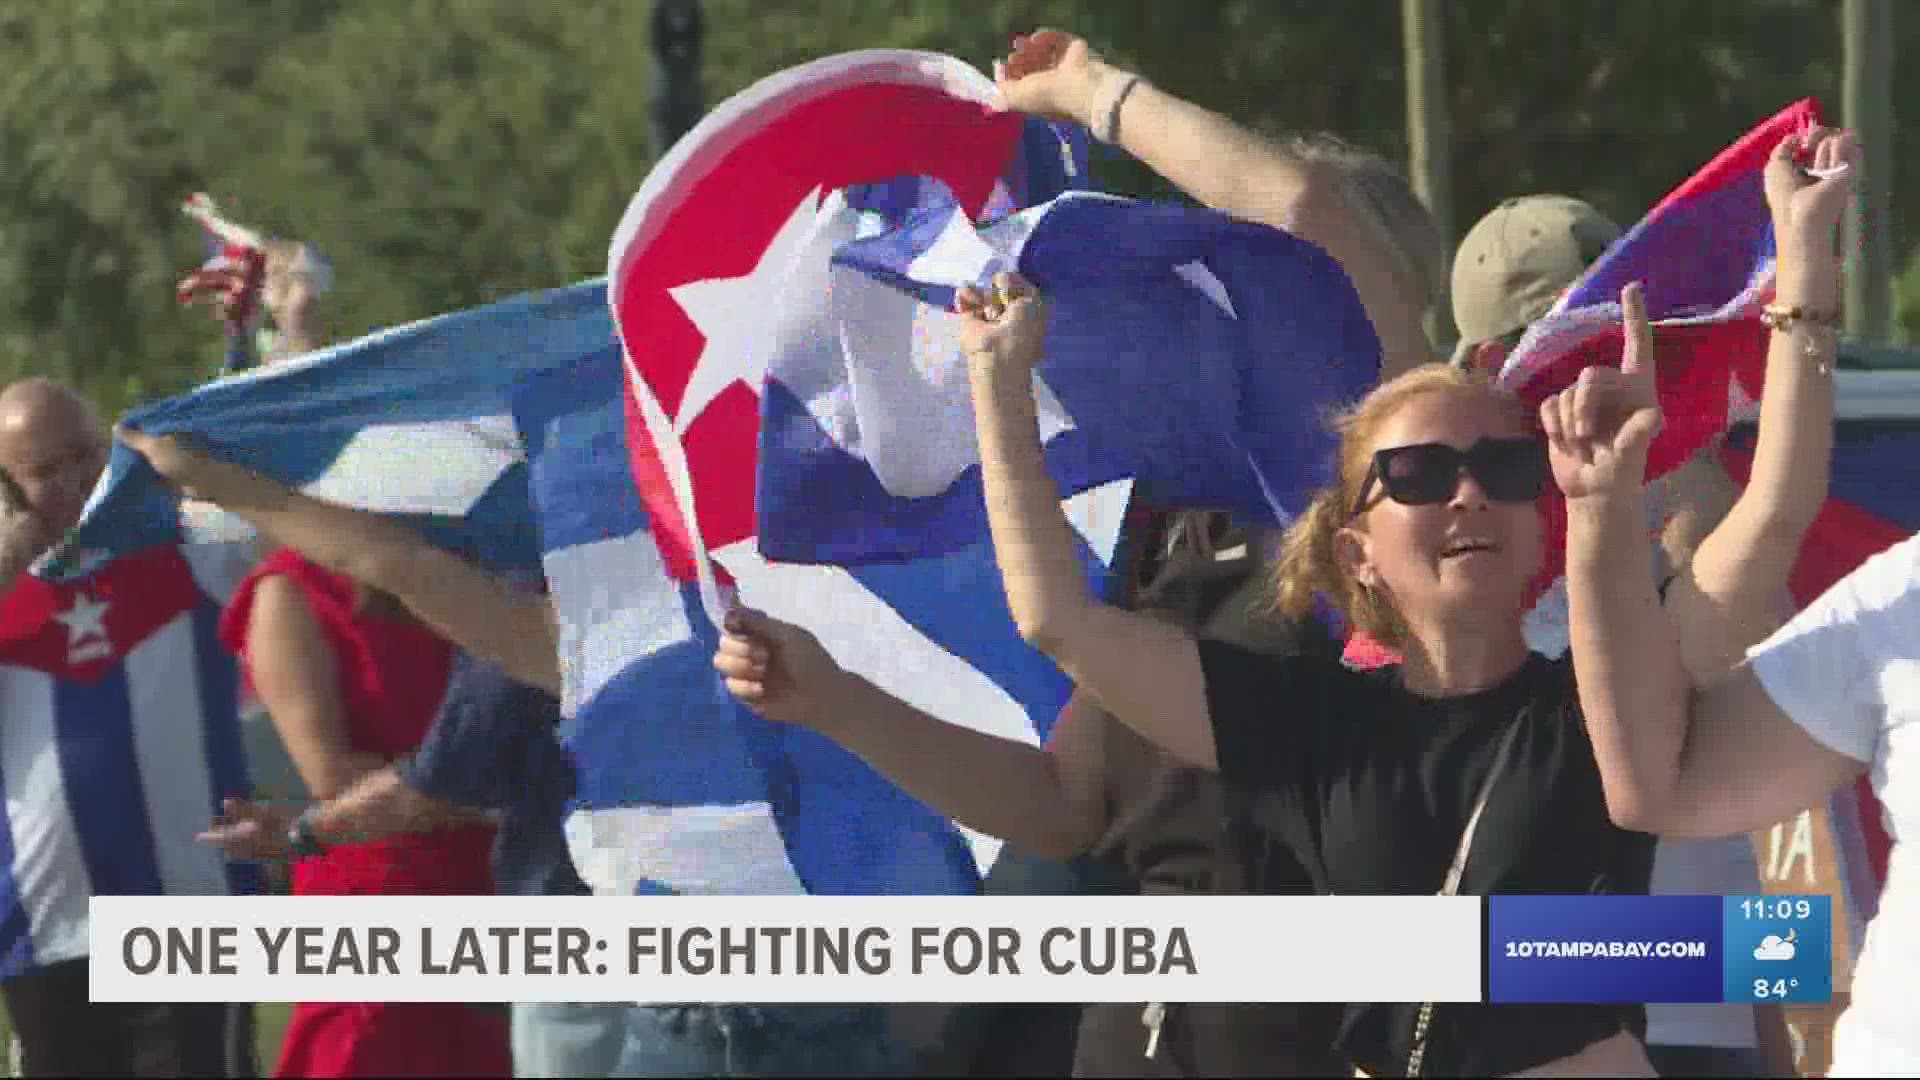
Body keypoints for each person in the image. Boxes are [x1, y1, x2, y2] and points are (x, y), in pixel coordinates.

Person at [711, 123, 1850, 1074]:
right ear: (1356, 550)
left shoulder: (1607, 698)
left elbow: (1776, 514)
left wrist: (1802, 283)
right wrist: (996, 392)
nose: (1465, 497)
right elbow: (1058, 622)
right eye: (1416, 477)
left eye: (1503, 473)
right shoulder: (1304, 723)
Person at [116, 426, 908, 1078]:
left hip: (665, 988)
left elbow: (399, 572)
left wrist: (233, 486)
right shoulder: (801, 596)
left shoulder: (576, 631)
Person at [1557, 140, 1914, 1079]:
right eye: (1558, 369)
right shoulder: (1373, 650)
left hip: (1694, 1034)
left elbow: (1778, 502)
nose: (1595, 392)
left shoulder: (1690, 594)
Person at [1442, 193, 1791, 1077]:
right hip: (1547, 1018)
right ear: (1495, 366)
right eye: (1574, 352)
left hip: (1704, 1009)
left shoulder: (1706, 495)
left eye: (1639, 343)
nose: (1608, 377)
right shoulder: (1452, 538)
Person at [194, 642, 630, 1079]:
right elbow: (339, 770)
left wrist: (301, 833)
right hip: (390, 899)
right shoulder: (294, 592)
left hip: (546, 901)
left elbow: (453, 773)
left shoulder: (516, 603)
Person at [0, 379, 257, 1077]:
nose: (76, 481)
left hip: (193, 904)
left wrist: (283, 338)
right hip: (48, 929)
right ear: (11, 488)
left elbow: (285, 491)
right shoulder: (6, 594)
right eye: (45, 471)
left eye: (84, 454)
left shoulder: (192, 545)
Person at [994, 27, 1444, 374]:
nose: (1251, 267)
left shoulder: (1417, 417)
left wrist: (1087, 88)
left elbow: (1302, 204)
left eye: (1266, 246)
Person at [220, 545, 510, 1078]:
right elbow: (331, 772)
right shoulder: (289, 591)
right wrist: (497, 801)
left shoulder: (468, 567)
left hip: (497, 878)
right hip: (378, 892)